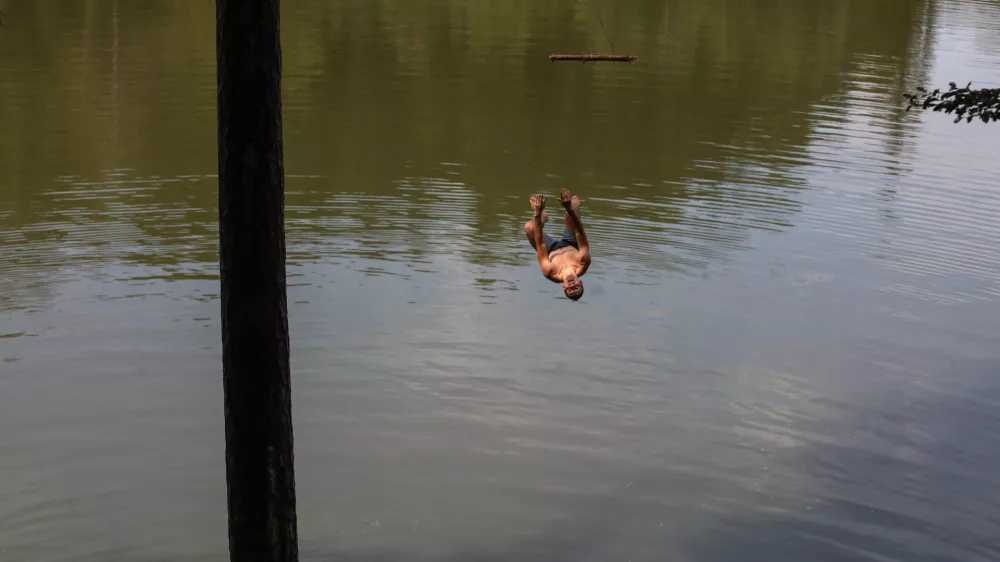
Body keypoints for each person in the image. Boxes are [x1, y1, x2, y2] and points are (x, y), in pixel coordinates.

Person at [523, 188, 591, 300]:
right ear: (580, 282)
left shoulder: (549, 272)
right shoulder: (583, 262)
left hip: (550, 249)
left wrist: (537, 213)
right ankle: (569, 209)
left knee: (529, 228)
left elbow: (540, 243)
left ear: (563, 287)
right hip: (571, 243)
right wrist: (569, 208)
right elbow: (580, 232)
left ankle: (542, 216)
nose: (572, 285)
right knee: (573, 207)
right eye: (576, 287)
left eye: (570, 289)